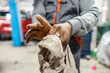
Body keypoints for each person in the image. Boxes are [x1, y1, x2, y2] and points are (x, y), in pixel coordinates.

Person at [25, 0, 100, 73]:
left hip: (72, 47)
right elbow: (38, 13)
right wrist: (43, 27)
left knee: (71, 68)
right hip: (49, 47)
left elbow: (92, 13)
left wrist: (71, 26)